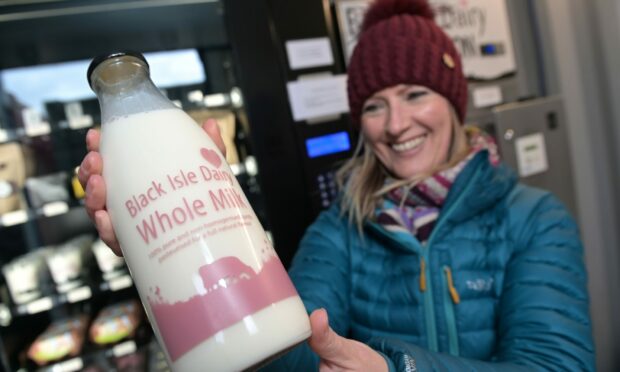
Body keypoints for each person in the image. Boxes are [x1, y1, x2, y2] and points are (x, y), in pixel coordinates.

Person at [78, 0, 595, 370]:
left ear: (454, 103)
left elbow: (555, 364)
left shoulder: (534, 218)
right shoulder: (339, 230)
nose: (396, 124)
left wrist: (399, 369)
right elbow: (286, 353)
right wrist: (178, 258)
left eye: (416, 94)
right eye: (374, 105)